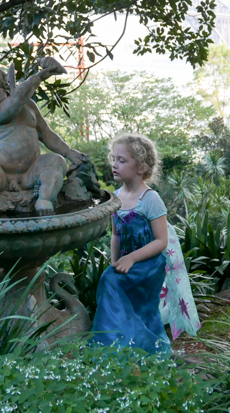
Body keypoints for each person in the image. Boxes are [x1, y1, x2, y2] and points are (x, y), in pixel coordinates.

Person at [91, 133, 201, 353]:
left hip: (148, 264)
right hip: (126, 263)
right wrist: (116, 262)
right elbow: (116, 235)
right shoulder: (115, 197)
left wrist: (131, 258)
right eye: (113, 158)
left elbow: (161, 241)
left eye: (122, 160)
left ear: (141, 167)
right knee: (113, 282)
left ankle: (146, 351)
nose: (114, 164)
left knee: (141, 307)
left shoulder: (150, 199)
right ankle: (123, 350)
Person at [0, 58, 85, 217]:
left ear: (4, 87)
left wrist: (67, 152)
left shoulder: (29, 106)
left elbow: (46, 133)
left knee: (56, 161)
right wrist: (39, 76)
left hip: (31, 172)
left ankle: (45, 200)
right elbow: (14, 103)